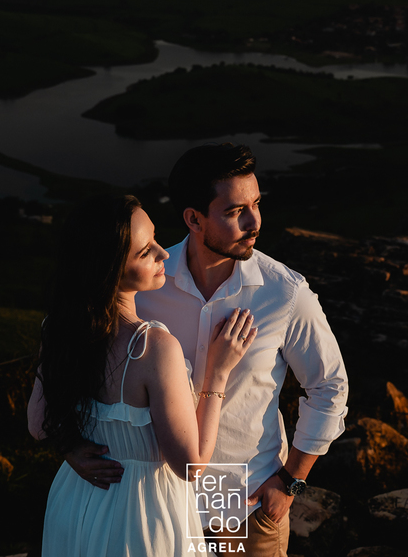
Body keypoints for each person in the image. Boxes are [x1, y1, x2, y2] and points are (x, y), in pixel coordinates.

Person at [66, 144, 349, 557]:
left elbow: (329, 388)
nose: (255, 222)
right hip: (154, 505)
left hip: (245, 505)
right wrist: (71, 445)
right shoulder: (144, 283)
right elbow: (80, 365)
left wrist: (290, 482)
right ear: (194, 219)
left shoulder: (284, 294)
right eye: (235, 212)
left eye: (256, 204)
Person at [28, 193, 259, 556]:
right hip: (142, 515)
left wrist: (72, 448)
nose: (163, 253)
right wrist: (218, 372)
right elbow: (191, 465)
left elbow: (38, 425)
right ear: (108, 269)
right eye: (145, 251)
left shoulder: (58, 329)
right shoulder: (153, 347)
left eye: (155, 239)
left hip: (76, 499)